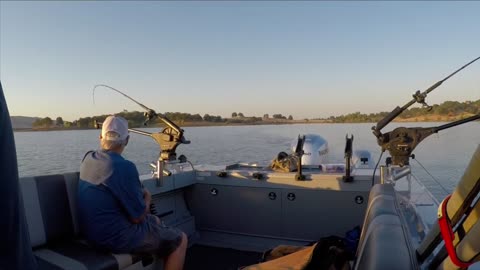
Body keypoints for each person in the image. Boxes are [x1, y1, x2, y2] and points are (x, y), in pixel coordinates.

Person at [77, 115, 187, 270]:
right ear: (127, 140)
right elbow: (138, 217)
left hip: (91, 234)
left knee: (155, 220)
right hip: (112, 239)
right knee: (180, 240)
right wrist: (147, 197)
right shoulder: (125, 167)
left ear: (100, 137)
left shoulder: (88, 157)